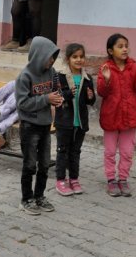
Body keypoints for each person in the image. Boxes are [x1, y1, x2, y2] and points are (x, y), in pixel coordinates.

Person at [15, 36, 63, 214]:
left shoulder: (51, 72)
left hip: (45, 125)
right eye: (50, 56)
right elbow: (22, 103)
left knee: (44, 164)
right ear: (38, 55)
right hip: (29, 126)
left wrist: (58, 99)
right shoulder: (24, 76)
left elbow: (55, 91)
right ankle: (26, 199)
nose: (52, 60)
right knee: (30, 164)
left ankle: (39, 196)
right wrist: (46, 99)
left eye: (54, 57)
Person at [97, 33, 136, 197]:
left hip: (130, 116)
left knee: (127, 152)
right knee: (110, 151)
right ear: (110, 51)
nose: (125, 49)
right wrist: (106, 80)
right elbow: (101, 92)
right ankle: (111, 180)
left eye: (126, 46)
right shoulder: (105, 68)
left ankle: (123, 179)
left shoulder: (134, 67)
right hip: (111, 115)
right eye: (120, 46)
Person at [54, 43, 96, 196]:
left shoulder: (87, 78)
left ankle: (74, 179)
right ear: (68, 59)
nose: (79, 60)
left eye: (81, 56)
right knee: (62, 150)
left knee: (75, 151)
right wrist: (68, 94)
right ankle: (60, 180)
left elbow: (90, 101)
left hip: (80, 123)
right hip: (64, 122)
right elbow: (57, 98)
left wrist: (91, 97)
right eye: (75, 57)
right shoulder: (60, 77)